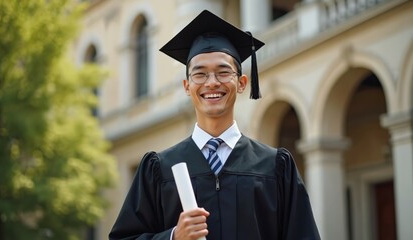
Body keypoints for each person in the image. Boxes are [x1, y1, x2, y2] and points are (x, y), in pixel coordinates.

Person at [109, 10, 320, 240]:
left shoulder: (275, 167)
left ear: (241, 83)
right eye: (199, 74)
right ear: (187, 86)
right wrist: (172, 237)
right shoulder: (160, 169)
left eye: (223, 72)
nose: (212, 83)